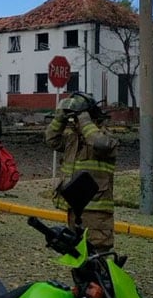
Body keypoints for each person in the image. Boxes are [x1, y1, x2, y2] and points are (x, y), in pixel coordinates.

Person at [45, 92, 118, 252]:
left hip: (96, 212)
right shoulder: (73, 138)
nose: (76, 123)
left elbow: (100, 144)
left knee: (96, 256)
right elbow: (51, 140)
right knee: (77, 255)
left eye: (77, 119)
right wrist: (60, 118)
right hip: (75, 209)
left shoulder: (106, 137)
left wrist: (85, 120)